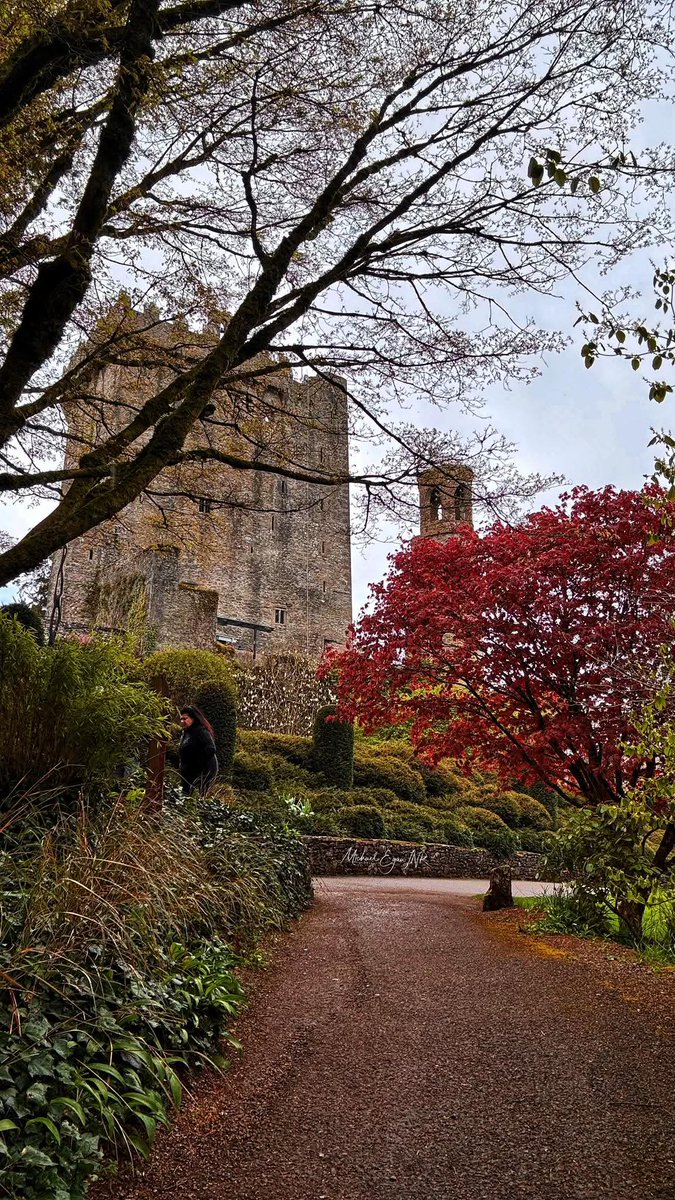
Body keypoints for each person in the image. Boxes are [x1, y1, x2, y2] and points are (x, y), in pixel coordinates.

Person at [178, 705, 218, 796]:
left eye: (185, 719)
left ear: (193, 718)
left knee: (201, 794)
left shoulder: (201, 731)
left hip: (205, 769)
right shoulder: (185, 732)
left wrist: (197, 762)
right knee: (185, 793)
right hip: (188, 769)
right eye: (181, 719)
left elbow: (211, 749)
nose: (182, 721)